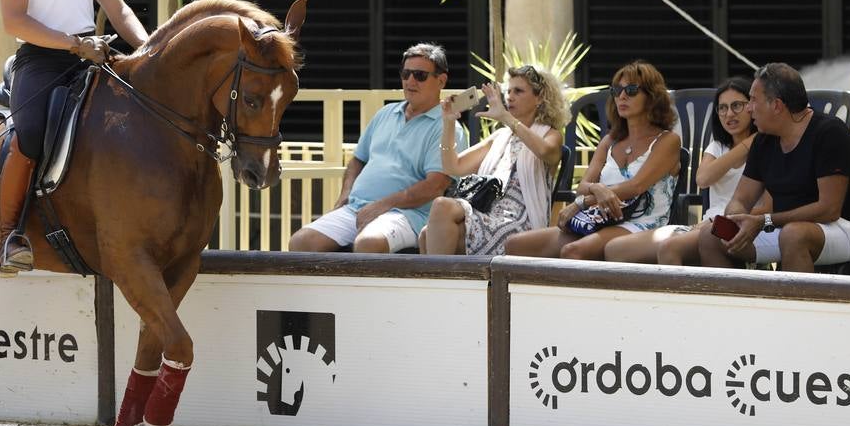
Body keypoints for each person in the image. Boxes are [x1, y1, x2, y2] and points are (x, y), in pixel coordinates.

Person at [0, 0, 150, 276]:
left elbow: (117, 9)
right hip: (42, 60)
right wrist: (71, 44)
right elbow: (14, 20)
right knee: (30, 133)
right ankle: (10, 235)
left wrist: (149, 48)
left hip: (92, 55)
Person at [698, 62, 850, 272]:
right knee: (711, 235)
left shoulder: (829, 133)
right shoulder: (763, 139)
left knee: (794, 235)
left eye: (753, 100)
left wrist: (763, 220)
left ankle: (796, 305)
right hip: (788, 228)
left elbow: (829, 210)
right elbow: (741, 199)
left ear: (776, 105)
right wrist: (734, 220)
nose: (749, 107)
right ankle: (743, 304)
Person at [288, 43, 468, 254]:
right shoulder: (386, 113)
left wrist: (382, 205)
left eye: (420, 75)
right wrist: (344, 196)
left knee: (369, 243)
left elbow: (435, 186)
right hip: (357, 208)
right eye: (406, 74)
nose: (410, 81)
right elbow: (358, 160)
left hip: (408, 214)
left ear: (441, 80)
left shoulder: (447, 126)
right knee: (301, 242)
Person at [504, 60, 680, 261]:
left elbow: (636, 186)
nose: (621, 96)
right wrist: (597, 189)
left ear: (652, 97)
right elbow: (583, 185)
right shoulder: (610, 141)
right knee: (515, 245)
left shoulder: (667, 140)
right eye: (617, 90)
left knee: (573, 251)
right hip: (600, 218)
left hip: (642, 222)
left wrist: (583, 202)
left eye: (631, 90)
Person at [605, 77, 760, 265]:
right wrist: (746, 144)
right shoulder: (718, 147)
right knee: (615, 250)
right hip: (704, 225)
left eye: (737, 106)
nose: (729, 114)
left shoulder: (766, 148)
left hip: (736, 227)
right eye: (722, 108)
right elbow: (703, 179)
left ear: (751, 107)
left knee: (669, 248)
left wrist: (755, 143)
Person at [421, 64, 567, 256]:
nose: (510, 97)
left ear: (539, 98)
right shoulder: (501, 137)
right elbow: (452, 166)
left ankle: (438, 284)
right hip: (486, 213)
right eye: (508, 91)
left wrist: (506, 118)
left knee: (439, 213)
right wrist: (448, 122)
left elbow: (545, 151)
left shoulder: (550, 134)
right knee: (427, 233)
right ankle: (444, 284)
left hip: (518, 221)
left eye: (518, 91)